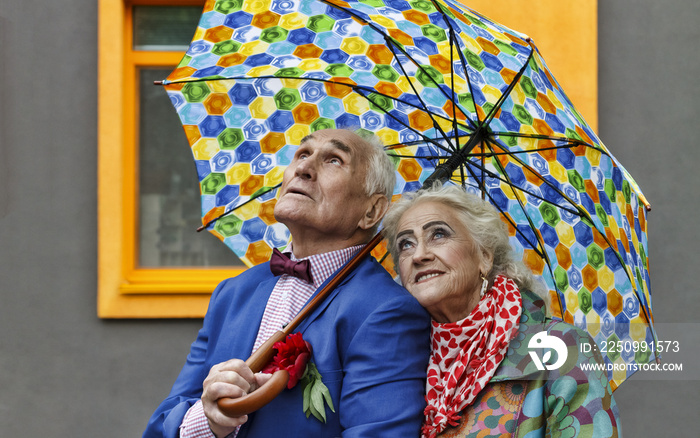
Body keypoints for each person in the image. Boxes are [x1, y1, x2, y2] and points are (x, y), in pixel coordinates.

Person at [143, 128, 431, 438]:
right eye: (303, 154)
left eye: (334, 160)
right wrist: (209, 420)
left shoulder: (388, 311)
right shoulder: (231, 294)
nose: (304, 168)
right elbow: (161, 428)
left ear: (372, 210)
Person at [382, 183, 622, 438]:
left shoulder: (561, 348)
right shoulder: (400, 359)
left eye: (438, 234)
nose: (418, 255)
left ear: (484, 256)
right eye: (405, 244)